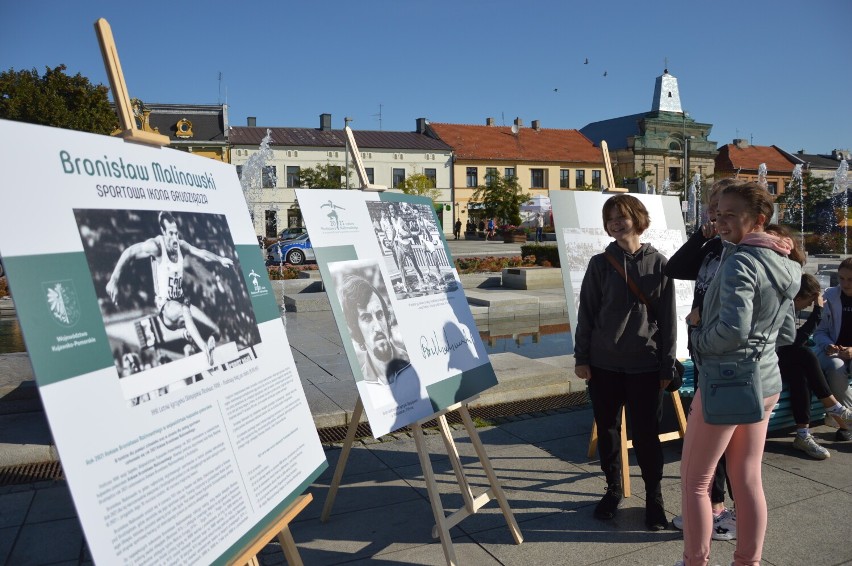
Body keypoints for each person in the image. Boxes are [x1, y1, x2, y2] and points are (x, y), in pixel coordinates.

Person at [678, 181, 801, 566]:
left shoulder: (740, 262)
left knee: (695, 481)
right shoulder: (786, 262)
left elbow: (732, 332)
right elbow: (788, 333)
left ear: (758, 220)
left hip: (726, 383)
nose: (719, 218)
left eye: (731, 213)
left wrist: (696, 336)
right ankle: (748, 562)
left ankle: (694, 561)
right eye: (718, 212)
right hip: (765, 382)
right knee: (747, 478)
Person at [574, 194, 677, 531]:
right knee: (607, 432)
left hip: (645, 365)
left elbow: (669, 320)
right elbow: (586, 313)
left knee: (646, 435)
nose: (616, 224)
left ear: (637, 217)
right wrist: (582, 357)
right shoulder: (600, 263)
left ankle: (655, 498)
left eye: (621, 217)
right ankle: (614, 489)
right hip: (603, 365)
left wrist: (666, 365)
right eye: (610, 219)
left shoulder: (660, 263)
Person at [664, 178, 738, 541]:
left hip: (726, 361)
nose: (714, 215)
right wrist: (701, 236)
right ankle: (716, 508)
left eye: (722, 209)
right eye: (711, 207)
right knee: (716, 444)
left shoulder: (742, 254)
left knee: (721, 445)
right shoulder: (712, 250)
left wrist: (702, 317)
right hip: (705, 355)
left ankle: (719, 512)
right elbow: (674, 268)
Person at [106, 211, 233, 366]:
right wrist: (114, 279)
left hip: (181, 301)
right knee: (184, 311)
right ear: (164, 232)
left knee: (216, 331)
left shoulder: (181, 246)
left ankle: (188, 335)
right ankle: (205, 350)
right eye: (171, 234)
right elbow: (130, 252)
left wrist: (220, 259)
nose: (175, 238)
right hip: (166, 309)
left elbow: (201, 253)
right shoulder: (156, 246)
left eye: (176, 233)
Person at [779, 272, 852, 459]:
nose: (809, 306)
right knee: (804, 353)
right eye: (809, 302)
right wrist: (817, 313)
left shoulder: (788, 305)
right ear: (798, 297)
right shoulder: (783, 306)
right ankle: (834, 407)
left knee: (800, 372)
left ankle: (803, 434)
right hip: (766, 360)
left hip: (782, 357)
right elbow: (794, 343)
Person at [338, 273, 411, 385]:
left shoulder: (411, 361)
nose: (378, 327)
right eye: (366, 318)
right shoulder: (362, 383)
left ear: (387, 319)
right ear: (356, 328)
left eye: (380, 314)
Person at [814, 257, 852, 442]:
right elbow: (820, 331)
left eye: (850, 279)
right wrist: (827, 345)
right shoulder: (830, 295)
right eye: (842, 278)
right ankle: (847, 424)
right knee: (836, 367)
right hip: (833, 351)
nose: (845, 284)